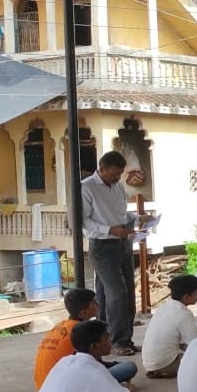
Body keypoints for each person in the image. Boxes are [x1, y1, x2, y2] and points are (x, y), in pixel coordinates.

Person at [81, 150, 151, 355]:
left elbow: (120, 214)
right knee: (117, 295)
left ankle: (116, 337)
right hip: (102, 246)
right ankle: (118, 341)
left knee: (119, 292)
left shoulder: (118, 186)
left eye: (119, 175)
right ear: (101, 169)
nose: (116, 178)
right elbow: (83, 220)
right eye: (113, 174)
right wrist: (110, 229)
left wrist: (138, 218)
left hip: (122, 243)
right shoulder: (87, 187)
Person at [34, 288, 137, 391]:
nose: (98, 305)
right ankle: (109, 387)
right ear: (83, 312)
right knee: (128, 367)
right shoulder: (82, 332)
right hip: (64, 386)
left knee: (118, 366)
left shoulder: (60, 325)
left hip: (43, 386)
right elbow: (92, 366)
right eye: (94, 302)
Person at [141, 274, 197, 378]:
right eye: (196, 292)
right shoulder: (184, 314)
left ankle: (159, 369)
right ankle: (166, 369)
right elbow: (194, 344)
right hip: (164, 363)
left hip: (149, 362)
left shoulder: (163, 307)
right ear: (186, 296)